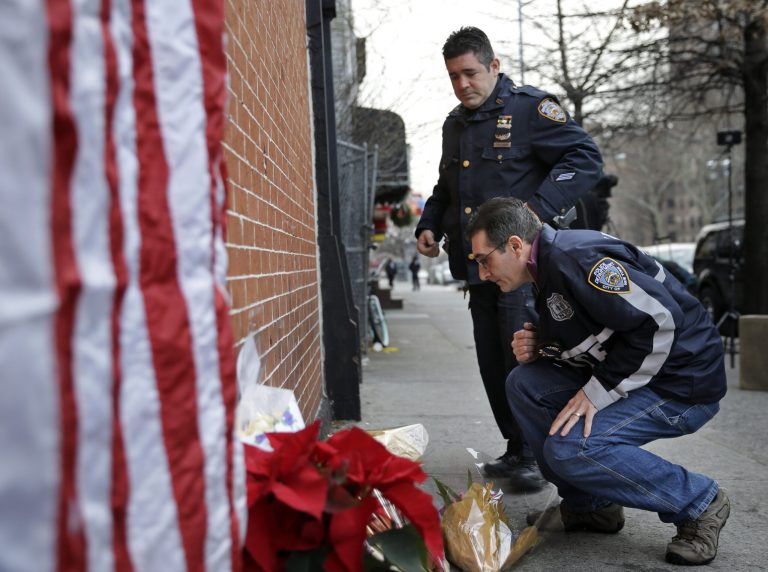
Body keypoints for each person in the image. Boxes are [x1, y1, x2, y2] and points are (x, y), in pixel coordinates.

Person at [466, 197, 729, 566]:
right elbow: (605, 330)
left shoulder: (580, 260)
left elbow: (660, 323)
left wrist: (597, 391)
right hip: (650, 374)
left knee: (571, 448)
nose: (482, 273)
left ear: (514, 245)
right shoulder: (546, 267)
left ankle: (699, 501)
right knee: (524, 383)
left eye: (483, 260)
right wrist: (544, 345)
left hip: (683, 384)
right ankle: (591, 507)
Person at [415, 26, 603, 489]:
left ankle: (540, 455)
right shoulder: (455, 123)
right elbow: (446, 188)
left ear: (494, 66)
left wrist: (533, 214)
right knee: (492, 362)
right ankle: (518, 448)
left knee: (525, 360)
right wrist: (428, 224)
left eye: (471, 73)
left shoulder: (530, 109)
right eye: (454, 77)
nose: (463, 85)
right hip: (479, 268)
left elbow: (584, 157)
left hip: (524, 269)